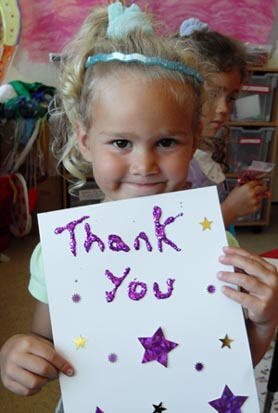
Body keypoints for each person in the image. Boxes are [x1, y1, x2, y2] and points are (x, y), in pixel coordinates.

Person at [0, 3, 277, 411]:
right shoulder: (60, 253)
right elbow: (46, 343)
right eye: (121, 143)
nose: (144, 165)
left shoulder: (216, 245)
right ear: (84, 139)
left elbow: (228, 364)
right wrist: (17, 354)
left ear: (195, 137)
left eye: (166, 142)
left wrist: (266, 321)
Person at [179, 18, 269, 229]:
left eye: (230, 98)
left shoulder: (204, 151)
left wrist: (242, 193)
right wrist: (230, 210)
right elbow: (179, 238)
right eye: (212, 94)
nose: (223, 109)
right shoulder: (178, 167)